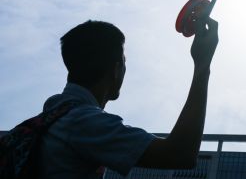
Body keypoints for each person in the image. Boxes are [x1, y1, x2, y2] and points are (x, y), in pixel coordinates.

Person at [37, 18, 218, 178]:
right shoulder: (84, 123)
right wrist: (203, 65)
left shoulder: (52, 119)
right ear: (116, 70)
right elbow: (181, 154)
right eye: (124, 62)